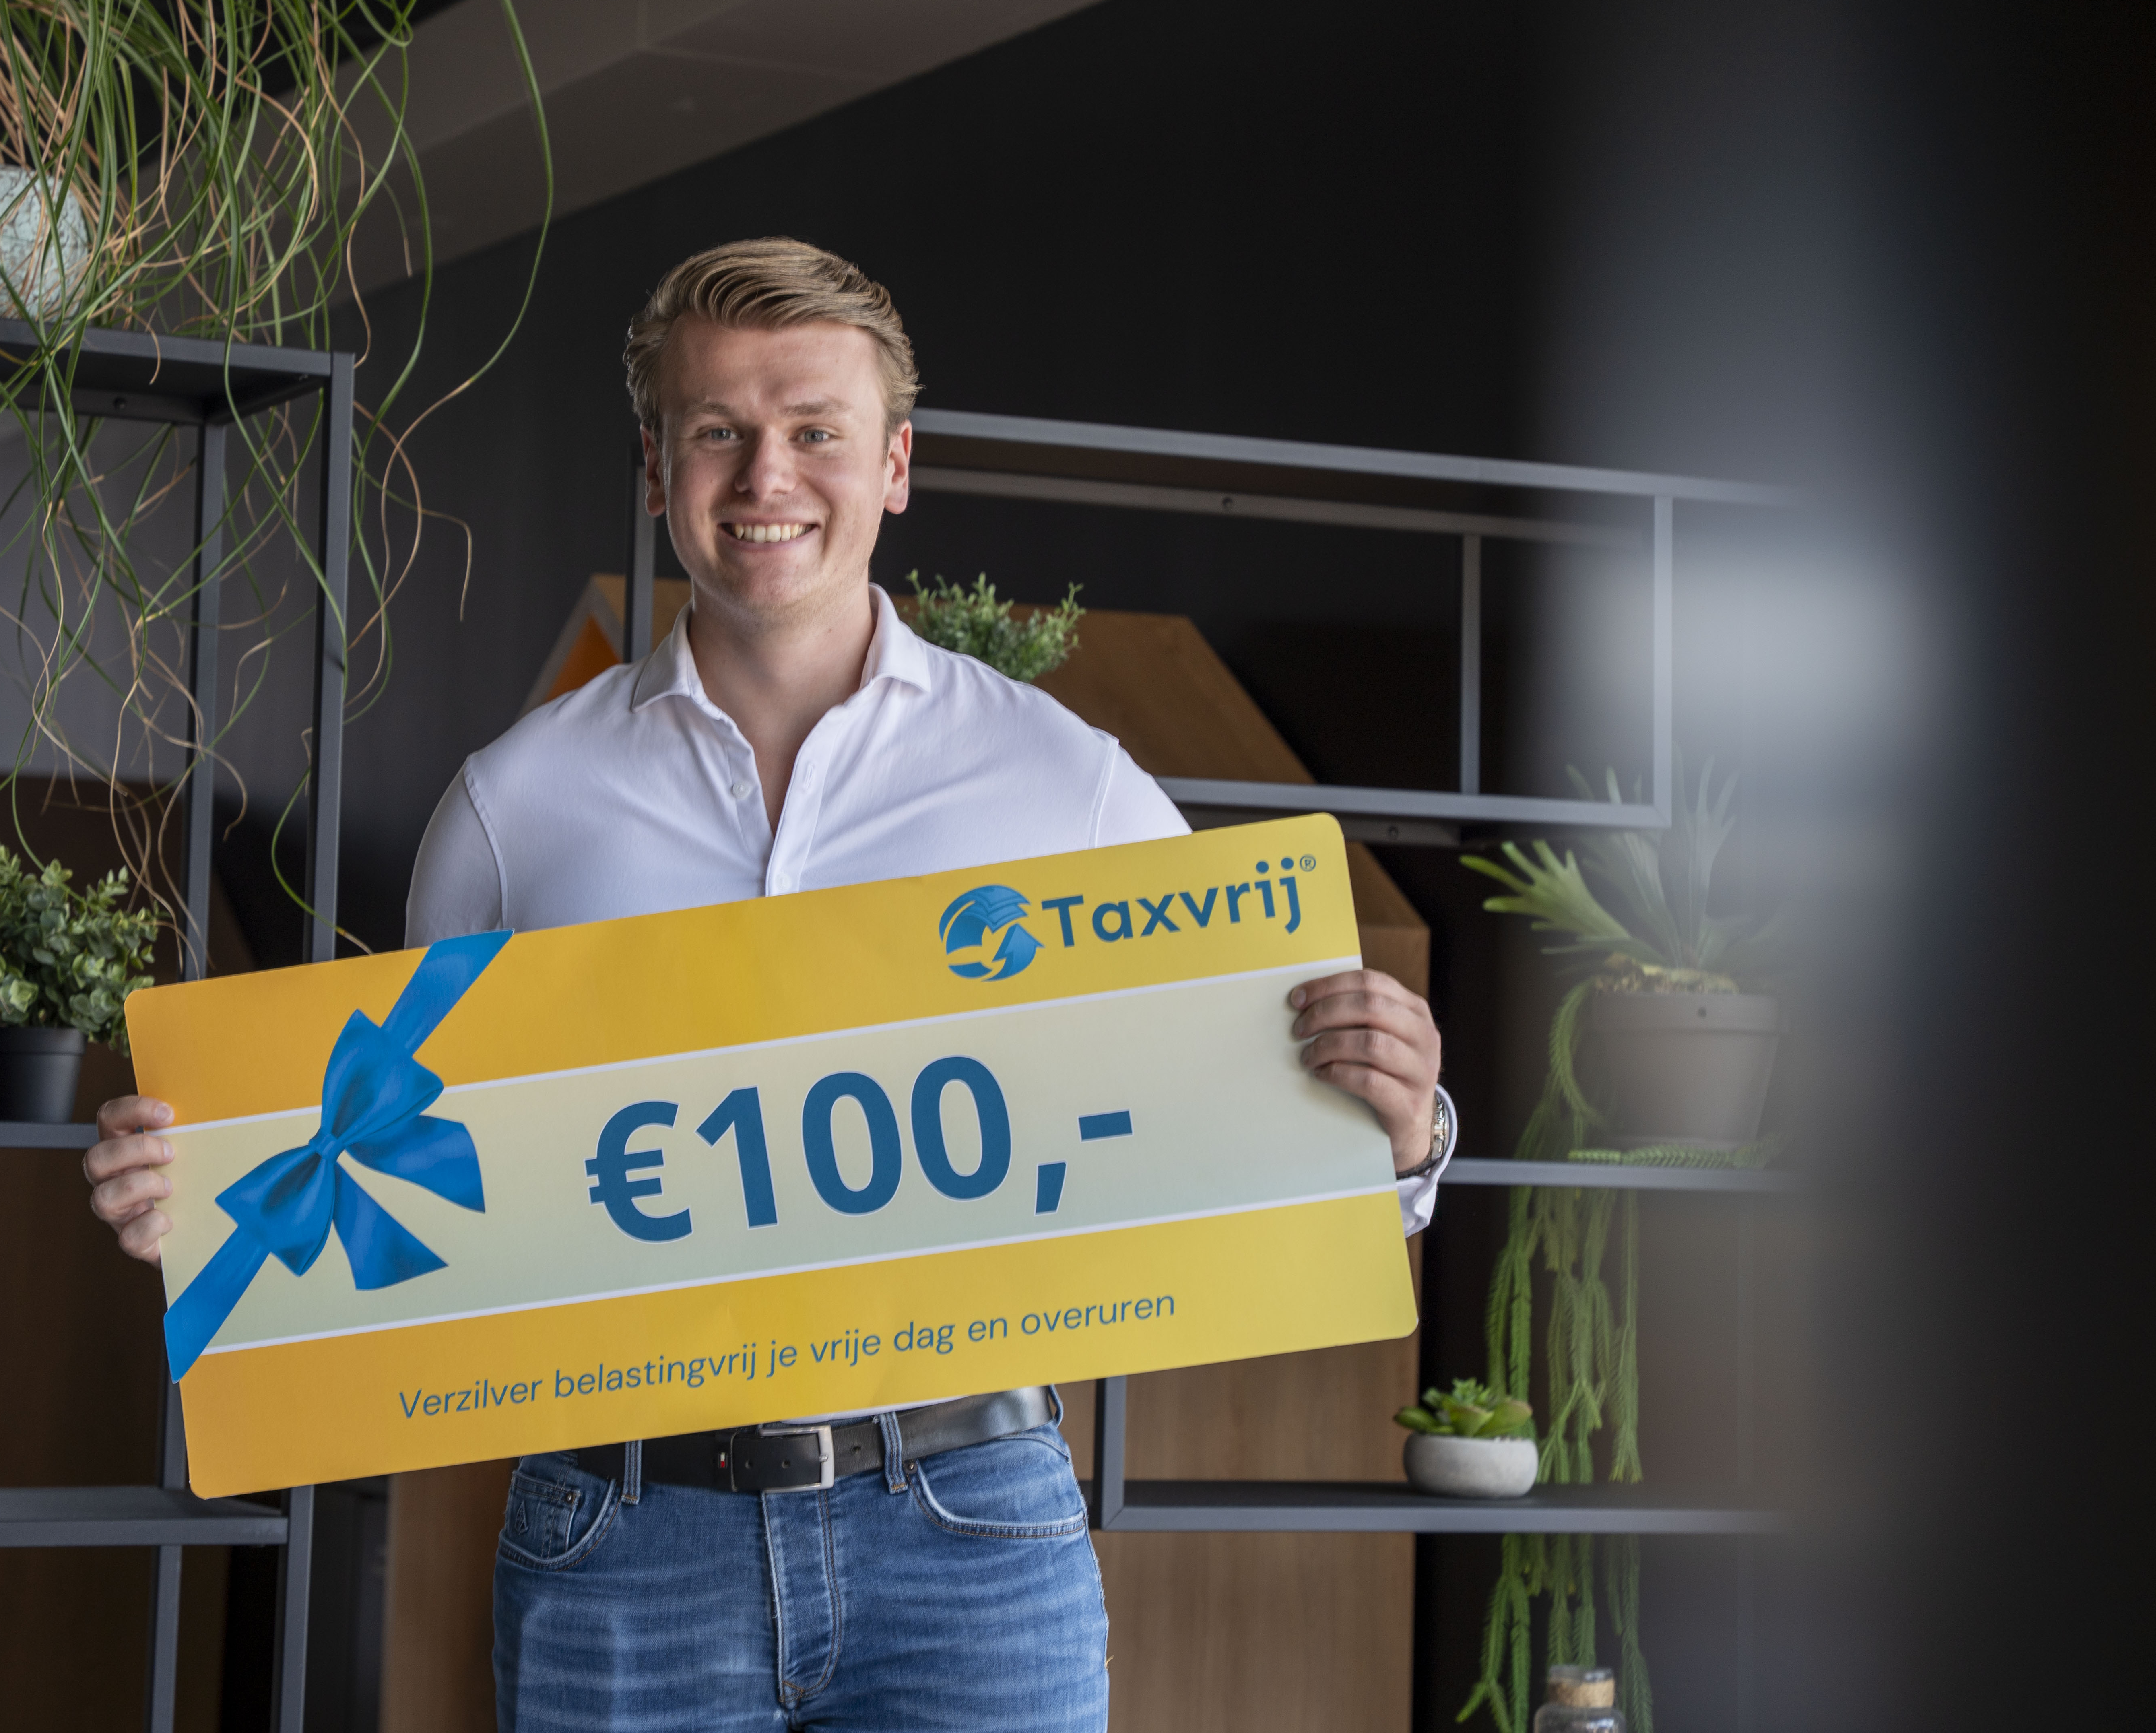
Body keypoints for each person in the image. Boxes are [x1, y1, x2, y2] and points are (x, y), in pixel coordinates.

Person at [85, 238, 1456, 1732]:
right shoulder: (513, 808)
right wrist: (213, 1193)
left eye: (816, 432)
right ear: (659, 462)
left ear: (896, 467)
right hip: (619, 1534)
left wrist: (1395, 1136)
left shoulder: (1068, 787)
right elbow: (419, 1166)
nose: (766, 478)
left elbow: (1230, 1122)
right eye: (718, 432)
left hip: (972, 1532)